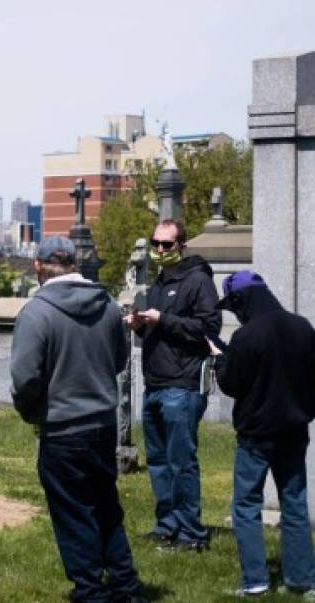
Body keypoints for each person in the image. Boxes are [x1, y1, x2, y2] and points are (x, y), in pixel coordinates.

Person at [10, 236, 142, 603]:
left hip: (63, 428)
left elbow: (25, 378)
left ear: (38, 266)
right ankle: (126, 587)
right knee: (105, 506)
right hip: (103, 425)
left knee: (73, 513)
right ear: (75, 263)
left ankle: (90, 592)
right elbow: (118, 362)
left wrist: (31, 412)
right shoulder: (110, 308)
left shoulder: (37, 313)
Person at [210, 271, 315, 597]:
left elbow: (232, 384)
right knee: (295, 505)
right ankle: (301, 579)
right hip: (294, 429)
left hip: (256, 435)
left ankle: (255, 580)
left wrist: (220, 361)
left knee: (246, 506)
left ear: (242, 301)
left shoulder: (246, 336)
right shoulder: (303, 327)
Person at [125, 218, 220, 552]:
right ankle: (167, 525)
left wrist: (162, 319)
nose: (160, 250)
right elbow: (159, 332)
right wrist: (139, 324)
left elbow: (208, 328)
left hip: (182, 385)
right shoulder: (158, 284)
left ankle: (192, 534)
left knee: (181, 462)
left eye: (167, 244)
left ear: (182, 245)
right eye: (156, 243)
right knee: (160, 462)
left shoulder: (198, 282)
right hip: (154, 384)